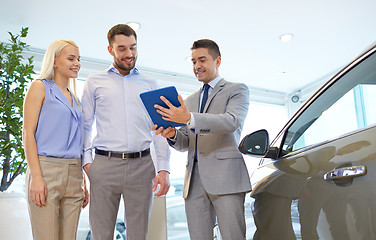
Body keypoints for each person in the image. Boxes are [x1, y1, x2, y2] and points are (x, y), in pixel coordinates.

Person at [153, 39, 252, 240]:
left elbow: (232, 122)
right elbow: (187, 142)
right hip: (194, 182)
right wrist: (172, 135)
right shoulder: (189, 101)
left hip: (227, 179)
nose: (197, 66)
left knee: (233, 236)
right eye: (193, 62)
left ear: (218, 61)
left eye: (202, 60)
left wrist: (189, 118)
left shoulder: (237, 90)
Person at [81, 24, 171, 240]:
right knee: (101, 234)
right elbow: (85, 124)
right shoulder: (94, 82)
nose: (129, 54)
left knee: (138, 235)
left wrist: (164, 169)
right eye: (122, 48)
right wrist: (87, 163)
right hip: (103, 165)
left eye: (133, 47)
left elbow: (159, 130)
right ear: (110, 49)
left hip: (142, 166)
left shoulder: (150, 84)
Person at [23, 39, 89, 240]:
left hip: (74, 172)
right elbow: (27, 133)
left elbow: (79, 141)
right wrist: (36, 177)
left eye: (78, 59)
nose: (77, 63)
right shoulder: (40, 87)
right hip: (45, 170)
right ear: (54, 61)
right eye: (71, 58)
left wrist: (83, 180)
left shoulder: (75, 99)